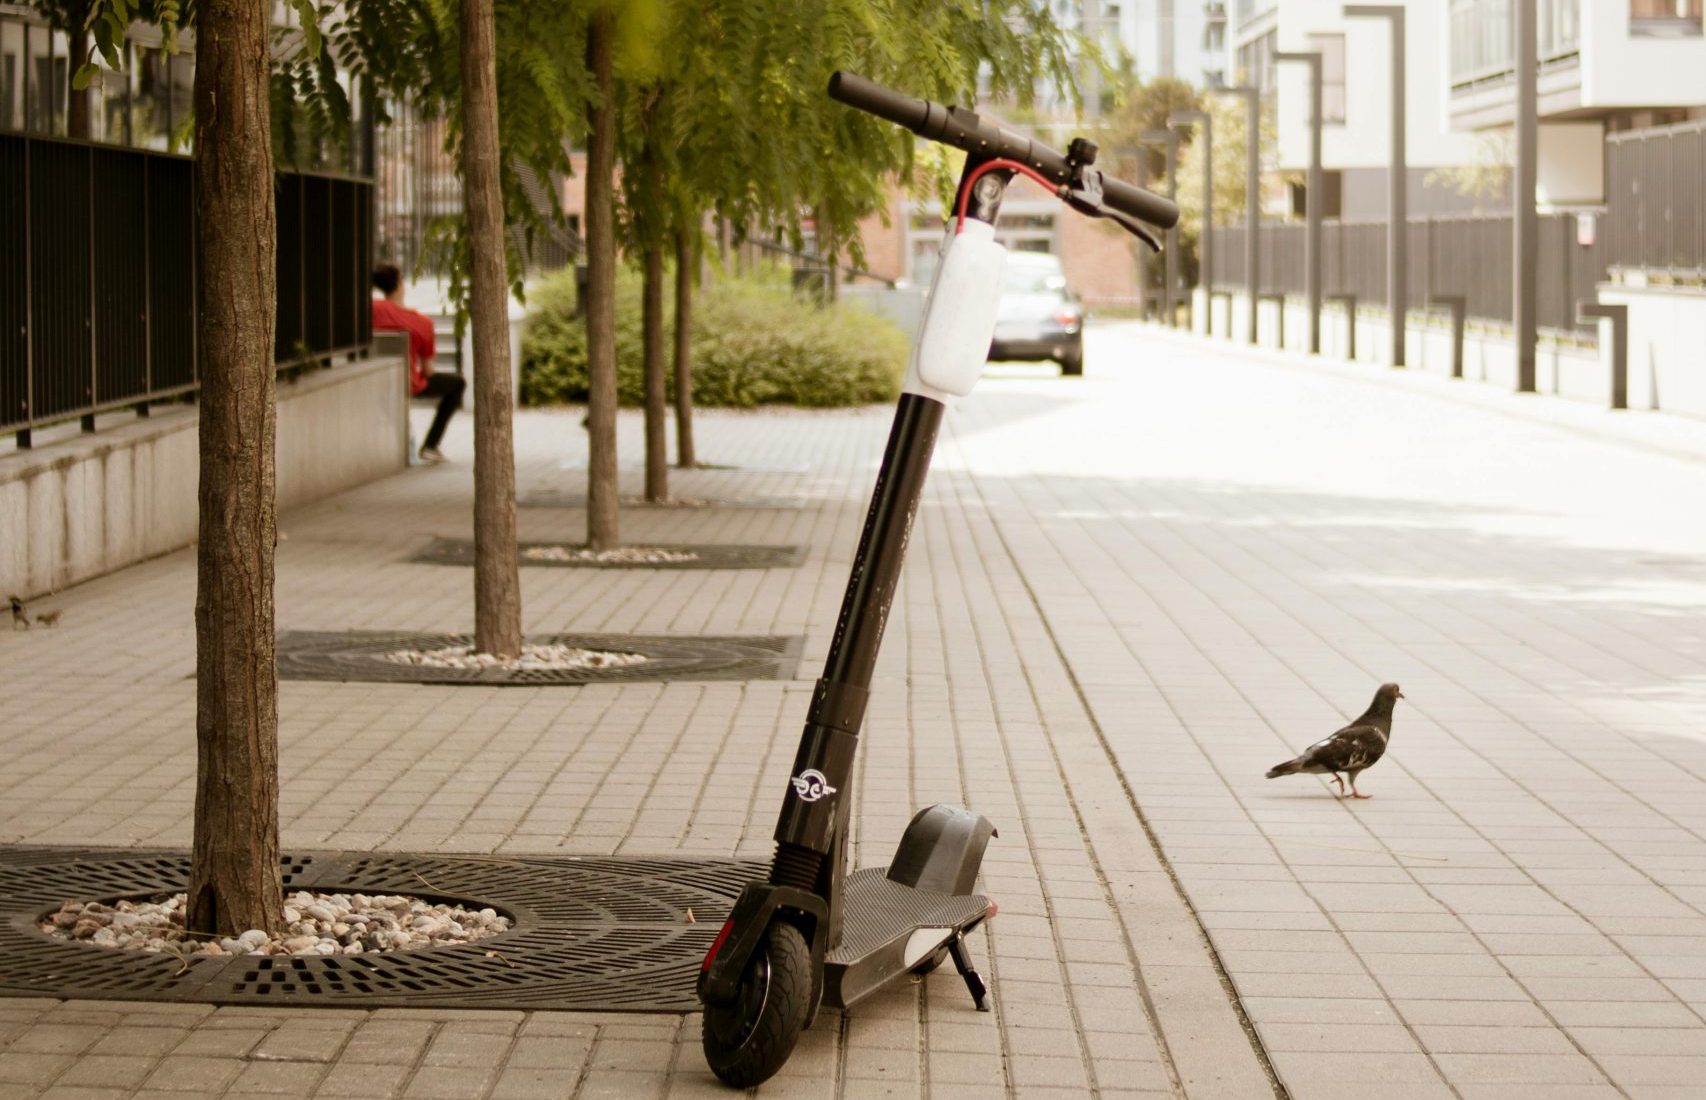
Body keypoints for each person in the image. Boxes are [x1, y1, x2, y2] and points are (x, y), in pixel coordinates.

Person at [371, 263, 464, 463]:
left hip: (372, 378)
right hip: (408, 382)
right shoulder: (422, 322)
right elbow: (429, 371)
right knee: (457, 383)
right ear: (400, 283)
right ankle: (431, 445)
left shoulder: (371, 309)